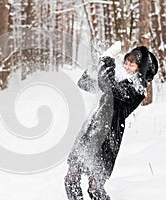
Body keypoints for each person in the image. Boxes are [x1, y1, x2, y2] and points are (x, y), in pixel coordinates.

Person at [64, 45, 158, 200]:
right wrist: (97, 66)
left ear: (141, 69)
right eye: (126, 62)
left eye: (132, 64)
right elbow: (84, 82)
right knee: (71, 177)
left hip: (108, 137)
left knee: (95, 186)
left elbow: (112, 89)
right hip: (91, 130)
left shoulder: (138, 89)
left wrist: (107, 61)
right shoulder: (118, 76)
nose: (126, 66)